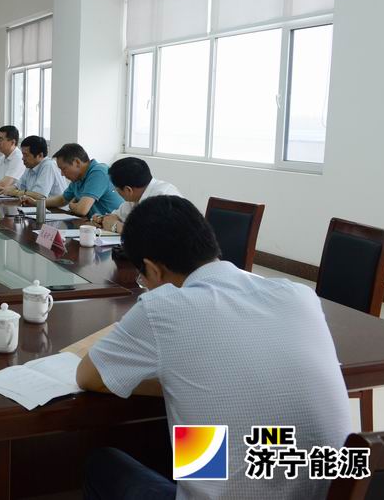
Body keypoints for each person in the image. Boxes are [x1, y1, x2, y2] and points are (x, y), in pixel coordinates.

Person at [77, 195, 351, 500]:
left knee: (103, 463)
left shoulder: (163, 308)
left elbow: (88, 376)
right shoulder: (299, 295)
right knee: (203, 435)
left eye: (142, 277)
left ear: (153, 269)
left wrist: (174, 382)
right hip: (320, 488)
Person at [20, 143, 122, 218]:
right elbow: (62, 199)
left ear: (77, 162)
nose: (62, 174)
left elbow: (82, 210)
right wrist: (36, 203)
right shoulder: (78, 178)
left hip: (112, 230)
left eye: (64, 169)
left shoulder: (98, 172)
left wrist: (71, 205)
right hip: (94, 225)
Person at [91, 157, 181, 235]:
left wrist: (116, 226)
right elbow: (116, 216)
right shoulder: (134, 197)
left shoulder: (164, 198)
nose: (116, 192)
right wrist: (102, 220)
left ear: (128, 190)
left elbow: (152, 236)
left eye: (116, 190)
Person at [0, 135, 67, 199]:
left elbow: (39, 195)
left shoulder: (49, 165)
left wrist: (15, 193)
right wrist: (5, 190)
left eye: (26, 155)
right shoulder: (30, 166)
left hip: (56, 209)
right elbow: (18, 186)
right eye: (23, 154)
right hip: (38, 207)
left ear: (40, 155)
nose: (23, 158)